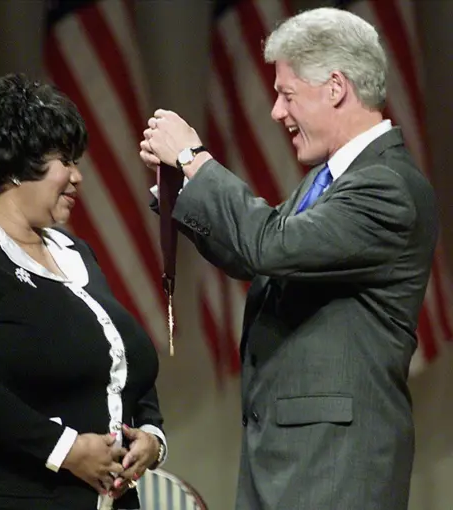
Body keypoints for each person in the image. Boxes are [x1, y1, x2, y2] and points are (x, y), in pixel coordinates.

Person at [140, 7, 437, 510]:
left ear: (336, 87)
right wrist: (182, 196)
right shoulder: (333, 182)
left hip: (335, 469)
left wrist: (196, 160)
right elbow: (261, 258)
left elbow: (270, 245)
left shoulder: (386, 186)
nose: (277, 111)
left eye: (287, 94)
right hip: (291, 462)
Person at [0, 74, 167, 510]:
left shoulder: (74, 253)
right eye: (65, 159)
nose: (78, 176)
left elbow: (124, 359)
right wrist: (65, 450)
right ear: (14, 164)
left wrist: (152, 437)